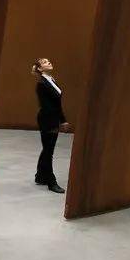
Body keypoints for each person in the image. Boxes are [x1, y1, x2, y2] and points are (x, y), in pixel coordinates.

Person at [32, 57, 72, 194]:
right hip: (47, 119)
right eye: (44, 62)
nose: (48, 62)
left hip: (53, 118)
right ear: (40, 69)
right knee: (49, 151)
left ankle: (40, 175)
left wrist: (62, 120)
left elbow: (57, 104)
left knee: (48, 149)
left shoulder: (51, 80)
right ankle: (51, 182)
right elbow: (48, 106)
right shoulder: (41, 84)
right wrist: (60, 121)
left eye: (48, 61)